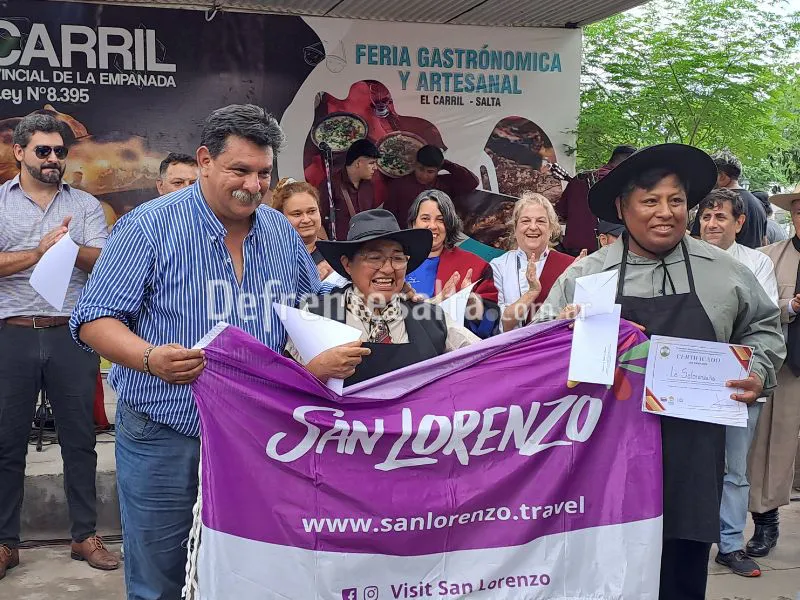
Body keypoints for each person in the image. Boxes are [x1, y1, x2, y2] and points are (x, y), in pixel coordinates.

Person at [69, 104, 331, 599]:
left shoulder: (279, 232)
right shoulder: (148, 227)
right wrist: (151, 358)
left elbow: (307, 314)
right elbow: (94, 320)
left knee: (248, 569)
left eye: (262, 173)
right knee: (160, 575)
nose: (252, 186)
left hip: (256, 435)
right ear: (205, 160)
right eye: (240, 170)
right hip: (165, 433)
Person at [535, 144, 785, 600]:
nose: (665, 213)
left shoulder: (725, 272)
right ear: (622, 207)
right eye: (650, 201)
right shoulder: (587, 276)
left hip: (691, 454)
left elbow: (764, 329)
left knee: (681, 576)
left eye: (676, 200)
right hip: (604, 459)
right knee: (607, 576)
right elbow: (537, 350)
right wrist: (559, 331)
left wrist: (759, 370)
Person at [0, 114, 117, 580]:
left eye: (60, 152)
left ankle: (84, 534)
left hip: (72, 332)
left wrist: (68, 247)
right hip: (12, 332)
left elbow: (104, 262)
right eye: (43, 151)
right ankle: (6, 542)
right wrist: (38, 253)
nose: (53, 159)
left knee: (80, 440)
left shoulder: (85, 204)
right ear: (20, 152)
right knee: (7, 443)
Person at [287, 209, 478, 385]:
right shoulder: (314, 318)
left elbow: (487, 359)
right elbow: (281, 394)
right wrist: (316, 371)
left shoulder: (433, 319)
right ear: (347, 265)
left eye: (397, 258)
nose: (387, 269)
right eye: (374, 258)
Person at [697, 188, 779, 577]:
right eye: (706, 217)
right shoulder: (683, 259)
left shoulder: (755, 264)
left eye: (721, 218)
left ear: (740, 222)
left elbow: (764, 321)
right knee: (688, 463)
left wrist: (757, 372)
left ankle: (729, 544)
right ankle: (687, 538)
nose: (712, 224)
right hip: (689, 379)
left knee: (735, 469)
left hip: (739, 378)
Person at [746, 183, 800, 560]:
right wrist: (791, 304)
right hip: (784, 366)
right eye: (798, 211)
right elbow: (758, 310)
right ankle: (766, 521)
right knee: (770, 446)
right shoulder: (768, 258)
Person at [405, 189, 499, 338]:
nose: (433, 226)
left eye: (440, 220)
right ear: (412, 223)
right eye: (425, 218)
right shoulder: (395, 263)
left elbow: (491, 324)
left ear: (449, 226)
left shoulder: (476, 266)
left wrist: (470, 301)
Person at [490, 192, 574, 332]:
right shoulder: (498, 266)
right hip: (512, 349)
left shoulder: (569, 266)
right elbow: (501, 325)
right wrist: (532, 292)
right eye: (525, 221)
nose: (533, 227)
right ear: (515, 228)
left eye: (541, 221)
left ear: (551, 228)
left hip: (554, 346)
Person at [555, 145, 636, 256]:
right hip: (603, 249)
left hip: (572, 249)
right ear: (628, 163)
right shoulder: (623, 184)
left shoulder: (579, 179)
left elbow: (560, 212)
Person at [689, 151, 767, 248]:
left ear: (721, 176)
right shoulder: (759, 203)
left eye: (711, 175)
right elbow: (764, 241)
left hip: (722, 261)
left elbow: (697, 240)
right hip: (753, 261)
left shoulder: (713, 202)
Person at [384, 145, 478, 224]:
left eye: (430, 172)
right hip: (404, 237)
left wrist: (446, 164)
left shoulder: (444, 184)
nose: (424, 175)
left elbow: (472, 182)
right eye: (420, 169)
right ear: (415, 164)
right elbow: (388, 216)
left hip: (435, 237)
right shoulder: (399, 185)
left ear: (438, 170)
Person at [318, 139, 382, 240]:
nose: (375, 168)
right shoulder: (330, 184)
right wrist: (328, 249)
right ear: (358, 163)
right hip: (339, 248)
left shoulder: (369, 185)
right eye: (371, 163)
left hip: (365, 246)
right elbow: (318, 222)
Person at [272, 177, 334, 280]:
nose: (306, 219)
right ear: (280, 217)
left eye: (311, 211)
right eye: (297, 214)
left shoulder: (335, 254)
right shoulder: (270, 256)